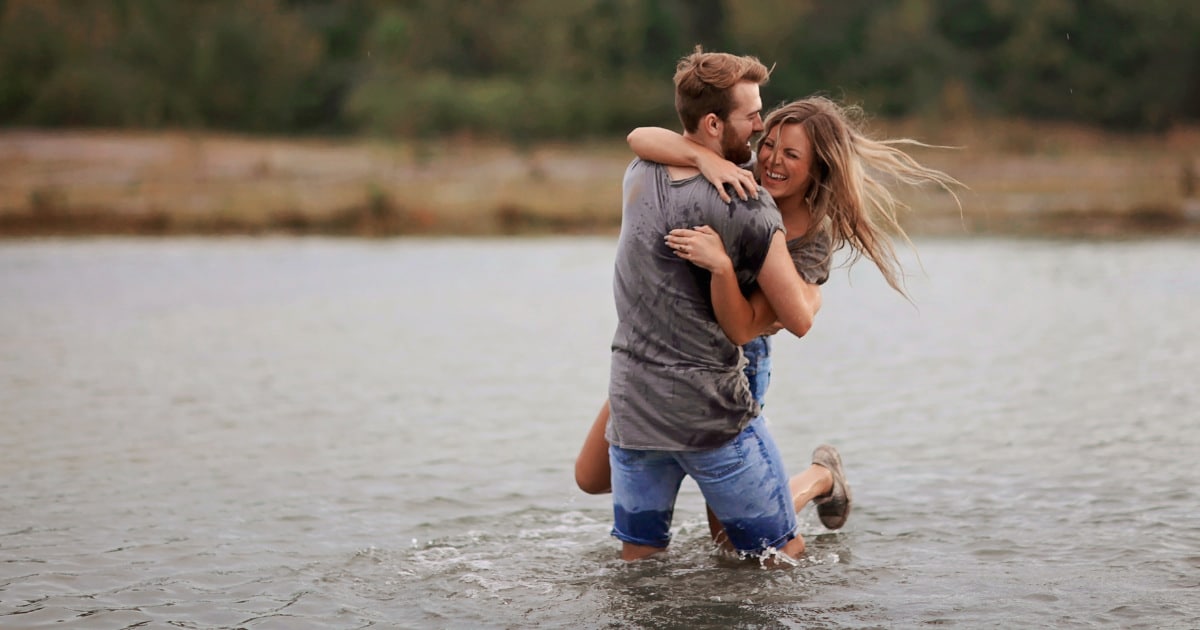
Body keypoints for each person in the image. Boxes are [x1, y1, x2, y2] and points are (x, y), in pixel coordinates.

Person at [578, 86, 963, 561]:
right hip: (662, 353)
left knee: (734, 546)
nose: (772, 161)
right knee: (590, 477)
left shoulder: (810, 239)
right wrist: (706, 161)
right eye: (770, 145)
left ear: (818, 166)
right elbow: (641, 136)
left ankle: (820, 478)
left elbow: (757, 324)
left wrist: (800, 295)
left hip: (734, 360)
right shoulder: (740, 177)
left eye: (792, 154)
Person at [600, 47, 829, 564]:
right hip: (710, 410)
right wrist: (810, 292)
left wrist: (702, 155)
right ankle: (821, 478)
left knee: (640, 566)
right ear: (711, 123)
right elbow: (798, 319)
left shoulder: (639, 171)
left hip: (636, 405)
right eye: (752, 116)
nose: (760, 126)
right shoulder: (749, 204)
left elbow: (641, 136)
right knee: (779, 556)